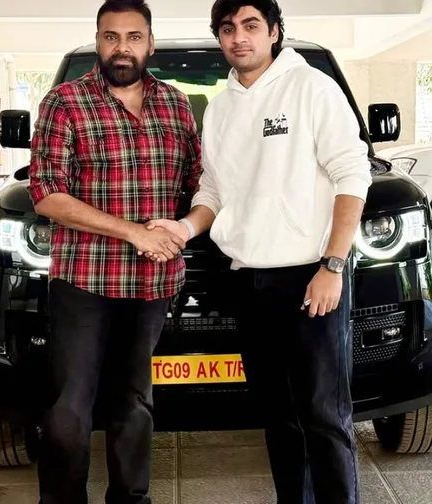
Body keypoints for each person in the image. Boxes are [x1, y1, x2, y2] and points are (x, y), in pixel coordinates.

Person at [146, 0, 373, 503]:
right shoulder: (220, 109)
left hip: (309, 278)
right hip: (247, 280)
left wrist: (333, 265)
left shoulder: (312, 87)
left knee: (324, 416)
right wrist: (184, 227)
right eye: (228, 29)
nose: (239, 37)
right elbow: (213, 192)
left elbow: (352, 173)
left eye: (251, 26)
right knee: (278, 416)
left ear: (273, 32)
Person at [27, 0, 202, 502]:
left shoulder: (176, 105)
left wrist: (187, 227)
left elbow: (200, 183)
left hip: (153, 283)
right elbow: (47, 194)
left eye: (133, 37)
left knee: (134, 404)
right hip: (85, 279)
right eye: (111, 37)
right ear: (98, 41)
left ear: (150, 43)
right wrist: (134, 233)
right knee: (69, 407)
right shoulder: (65, 102)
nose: (121, 48)